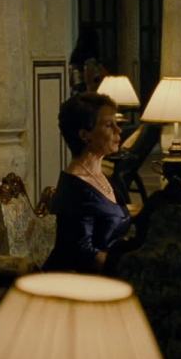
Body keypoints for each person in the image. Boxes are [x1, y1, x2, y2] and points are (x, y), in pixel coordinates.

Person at [43, 92, 131, 273]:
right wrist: (131, 269)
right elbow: (83, 255)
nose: (119, 130)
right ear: (85, 135)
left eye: (116, 123)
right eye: (109, 125)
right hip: (79, 282)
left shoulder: (105, 178)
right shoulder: (75, 188)